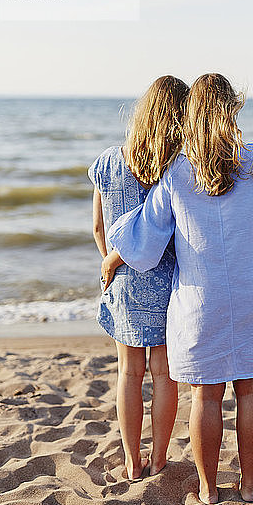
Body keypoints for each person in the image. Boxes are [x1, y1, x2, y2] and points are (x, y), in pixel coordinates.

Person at [104, 74, 253, 503]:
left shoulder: (176, 172)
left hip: (200, 302)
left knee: (205, 396)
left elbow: (144, 238)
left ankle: (209, 490)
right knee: (252, 390)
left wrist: (111, 254)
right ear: (233, 111)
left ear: (191, 116)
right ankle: (249, 486)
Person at [88, 75, 189, 480]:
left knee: (128, 373)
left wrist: (110, 264)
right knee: (163, 374)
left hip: (124, 283)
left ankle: (132, 462)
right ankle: (160, 457)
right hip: (166, 281)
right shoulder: (175, 165)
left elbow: (98, 227)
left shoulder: (109, 161)